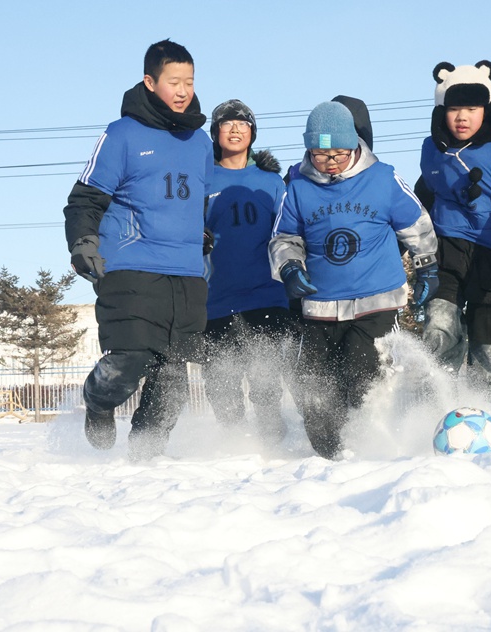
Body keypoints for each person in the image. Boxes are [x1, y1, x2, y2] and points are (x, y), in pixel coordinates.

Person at [63, 39, 214, 460]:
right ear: (150, 82)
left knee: (172, 381)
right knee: (129, 358)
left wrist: (201, 236)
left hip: (184, 272)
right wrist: (83, 242)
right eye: (173, 82)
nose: (183, 91)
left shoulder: (201, 142)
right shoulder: (122, 134)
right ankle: (98, 402)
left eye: (189, 81)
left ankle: (146, 458)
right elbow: (86, 199)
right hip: (131, 263)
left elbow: (197, 202)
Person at [268, 101, 438, 459]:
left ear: (354, 146)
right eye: (320, 154)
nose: (330, 161)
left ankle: (367, 445)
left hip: (376, 301)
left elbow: (417, 224)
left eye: (338, 153)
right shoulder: (297, 187)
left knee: (360, 369)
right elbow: (284, 238)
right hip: (320, 305)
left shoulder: (383, 178)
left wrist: (427, 267)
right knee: (311, 382)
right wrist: (290, 269)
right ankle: (330, 455)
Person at [415, 60, 491, 391]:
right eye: (454, 108)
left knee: (487, 348)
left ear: (486, 109)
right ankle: (431, 408)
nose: (461, 117)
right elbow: (421, 197)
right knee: (438, 330)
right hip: (447, 252)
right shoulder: (432, 149)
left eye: (471, 108)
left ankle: (488, 417)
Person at [202, 99, 295, 441]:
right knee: (220, 385)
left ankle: (273, 442)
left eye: (243, 123)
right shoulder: (200, 179)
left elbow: (288, 232)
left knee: (266, 380)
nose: (236, 129)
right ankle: (234, 446)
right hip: (215, 299)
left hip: (266, 294)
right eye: (227, 123)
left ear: (253, 133)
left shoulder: (271, 182)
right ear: (216, 133)